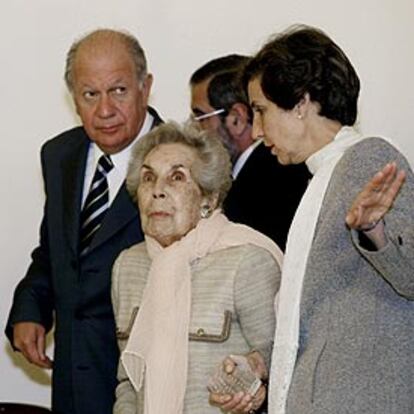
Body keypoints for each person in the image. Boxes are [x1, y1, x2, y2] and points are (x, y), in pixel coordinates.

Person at [240, 24, 414, 414]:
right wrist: (261, 363)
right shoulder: (324, 177)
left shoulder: (366, 158)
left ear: (301, 103)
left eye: (261, 111)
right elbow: (319, 318)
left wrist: (374, 231)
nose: (255, 130)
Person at [5, 29, 162, 414]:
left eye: (119, 91)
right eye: (90, 94)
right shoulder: (60, 155)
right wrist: (30, 309)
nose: (105, 110)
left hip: (145, 384)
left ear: (146, 87)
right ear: (73, 98)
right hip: (72, 384)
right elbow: (54, 252)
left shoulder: (182, 158)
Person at [111, 121, 283, 413]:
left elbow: (279, 362)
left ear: (208, 198)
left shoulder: (247, 260)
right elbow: (128, 379)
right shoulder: (128, 266)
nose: (158, 191)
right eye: (148, 179)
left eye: (176, 178)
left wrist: (252, 387)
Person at [190, 56, 309, 250]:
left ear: (236, 118)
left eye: (200, 117)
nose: (196, 131)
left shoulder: (272, 182)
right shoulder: (252, 175)